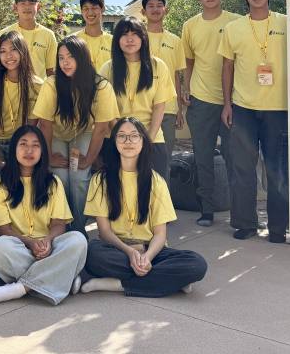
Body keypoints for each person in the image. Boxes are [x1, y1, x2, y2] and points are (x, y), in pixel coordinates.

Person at [82, 118, 207, 297]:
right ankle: (169, 281)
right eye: (122, 136)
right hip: (117, 249)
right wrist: (131, 252)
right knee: (93, 254)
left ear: (143, 141)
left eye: (134, 136)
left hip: (151, 251)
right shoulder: (100, 180)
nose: (128, 142)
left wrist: (146, 257)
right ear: (114, 142)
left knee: (197, 264)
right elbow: (104, 232)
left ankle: (118, 284)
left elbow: (160, 234)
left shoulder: (156, 181)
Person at [219, 0, 289, 243]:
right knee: (243, 168)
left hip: (279, 108)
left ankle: (278, 227)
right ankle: (245, 223)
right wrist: (227, 104)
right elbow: (227, 67)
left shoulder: (287, 23)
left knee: (277, 169)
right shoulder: (234, 28)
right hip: (243, 108)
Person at [0, 125, 87, 306]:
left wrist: (46, 241)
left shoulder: (53, 182)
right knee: (0, 247)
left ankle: (21, 289)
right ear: (14, 149)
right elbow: (3, 230)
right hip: (20, 247)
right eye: (23, 144)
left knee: (78, 240)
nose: (29, 150)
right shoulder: (1, 184)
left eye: (36, 145)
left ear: (43, 151)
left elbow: (59, 225)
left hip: (50, 248)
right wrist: (31, 243)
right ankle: (62, 276)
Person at [33, 35, 118, 234]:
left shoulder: (101, 86)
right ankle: (61, 227)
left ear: (83, 58)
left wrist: (89, 159)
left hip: (84, 133)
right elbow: (44, 124)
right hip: (57, 134)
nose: (65, 62)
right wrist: (48, 157)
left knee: (78, 177)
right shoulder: (51, 84)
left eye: (70, 57)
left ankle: (78, 229)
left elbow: (100, 127)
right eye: (61, 58)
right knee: (60, 175)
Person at [182, 0, 240, 227]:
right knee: (203, 157)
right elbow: (189, 61)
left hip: (235, 101)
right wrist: (185, 89)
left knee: (235, 157)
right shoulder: (190, 25)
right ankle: (207, 209)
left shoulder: (236, 22)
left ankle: (240, 212)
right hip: (201, 100)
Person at [98, 16, 175, 180]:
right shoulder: (108, 68)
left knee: (156, 190)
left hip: (151, 136)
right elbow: (106, 109)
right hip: (115, 136)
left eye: (135, 34)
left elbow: (159, 106)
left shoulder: (158, 66)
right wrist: (123, 138)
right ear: (117, 39)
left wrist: (147, 140)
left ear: (143, 38)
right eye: (124, 34)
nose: (130, 39)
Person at [0, 31, 43, 180]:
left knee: (23, 178)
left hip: (20, 140)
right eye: (3, 51)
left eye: (13, 49)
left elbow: (30, 128)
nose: (8, 56)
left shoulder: (37, 85)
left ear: (23, 51)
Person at [142, 0, 187, 164]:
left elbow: (176, 75)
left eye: (159, 5)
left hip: (168, 108)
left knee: (164, 159)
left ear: (165, 10)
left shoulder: (175, 40)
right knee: (140, 158)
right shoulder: (137, 38)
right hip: (142, 107)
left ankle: (163, 191)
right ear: (143, 11)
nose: (155, 9)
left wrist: (179, 109)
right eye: (151, 6)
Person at [0, 0, 57, 78]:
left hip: (39, 90)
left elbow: (50, 70)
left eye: (31, 3)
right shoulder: (5, 33)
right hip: (10, 89)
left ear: (38, 7)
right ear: (15, 7)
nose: (27, 7)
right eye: (22, 3)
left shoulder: (48, 34)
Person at [72, 0, 113, 69]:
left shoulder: (113, 41)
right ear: (81, 11)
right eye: (86, 8)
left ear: (103, 9)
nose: (90, 12)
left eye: (94, 8)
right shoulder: (73, 40)